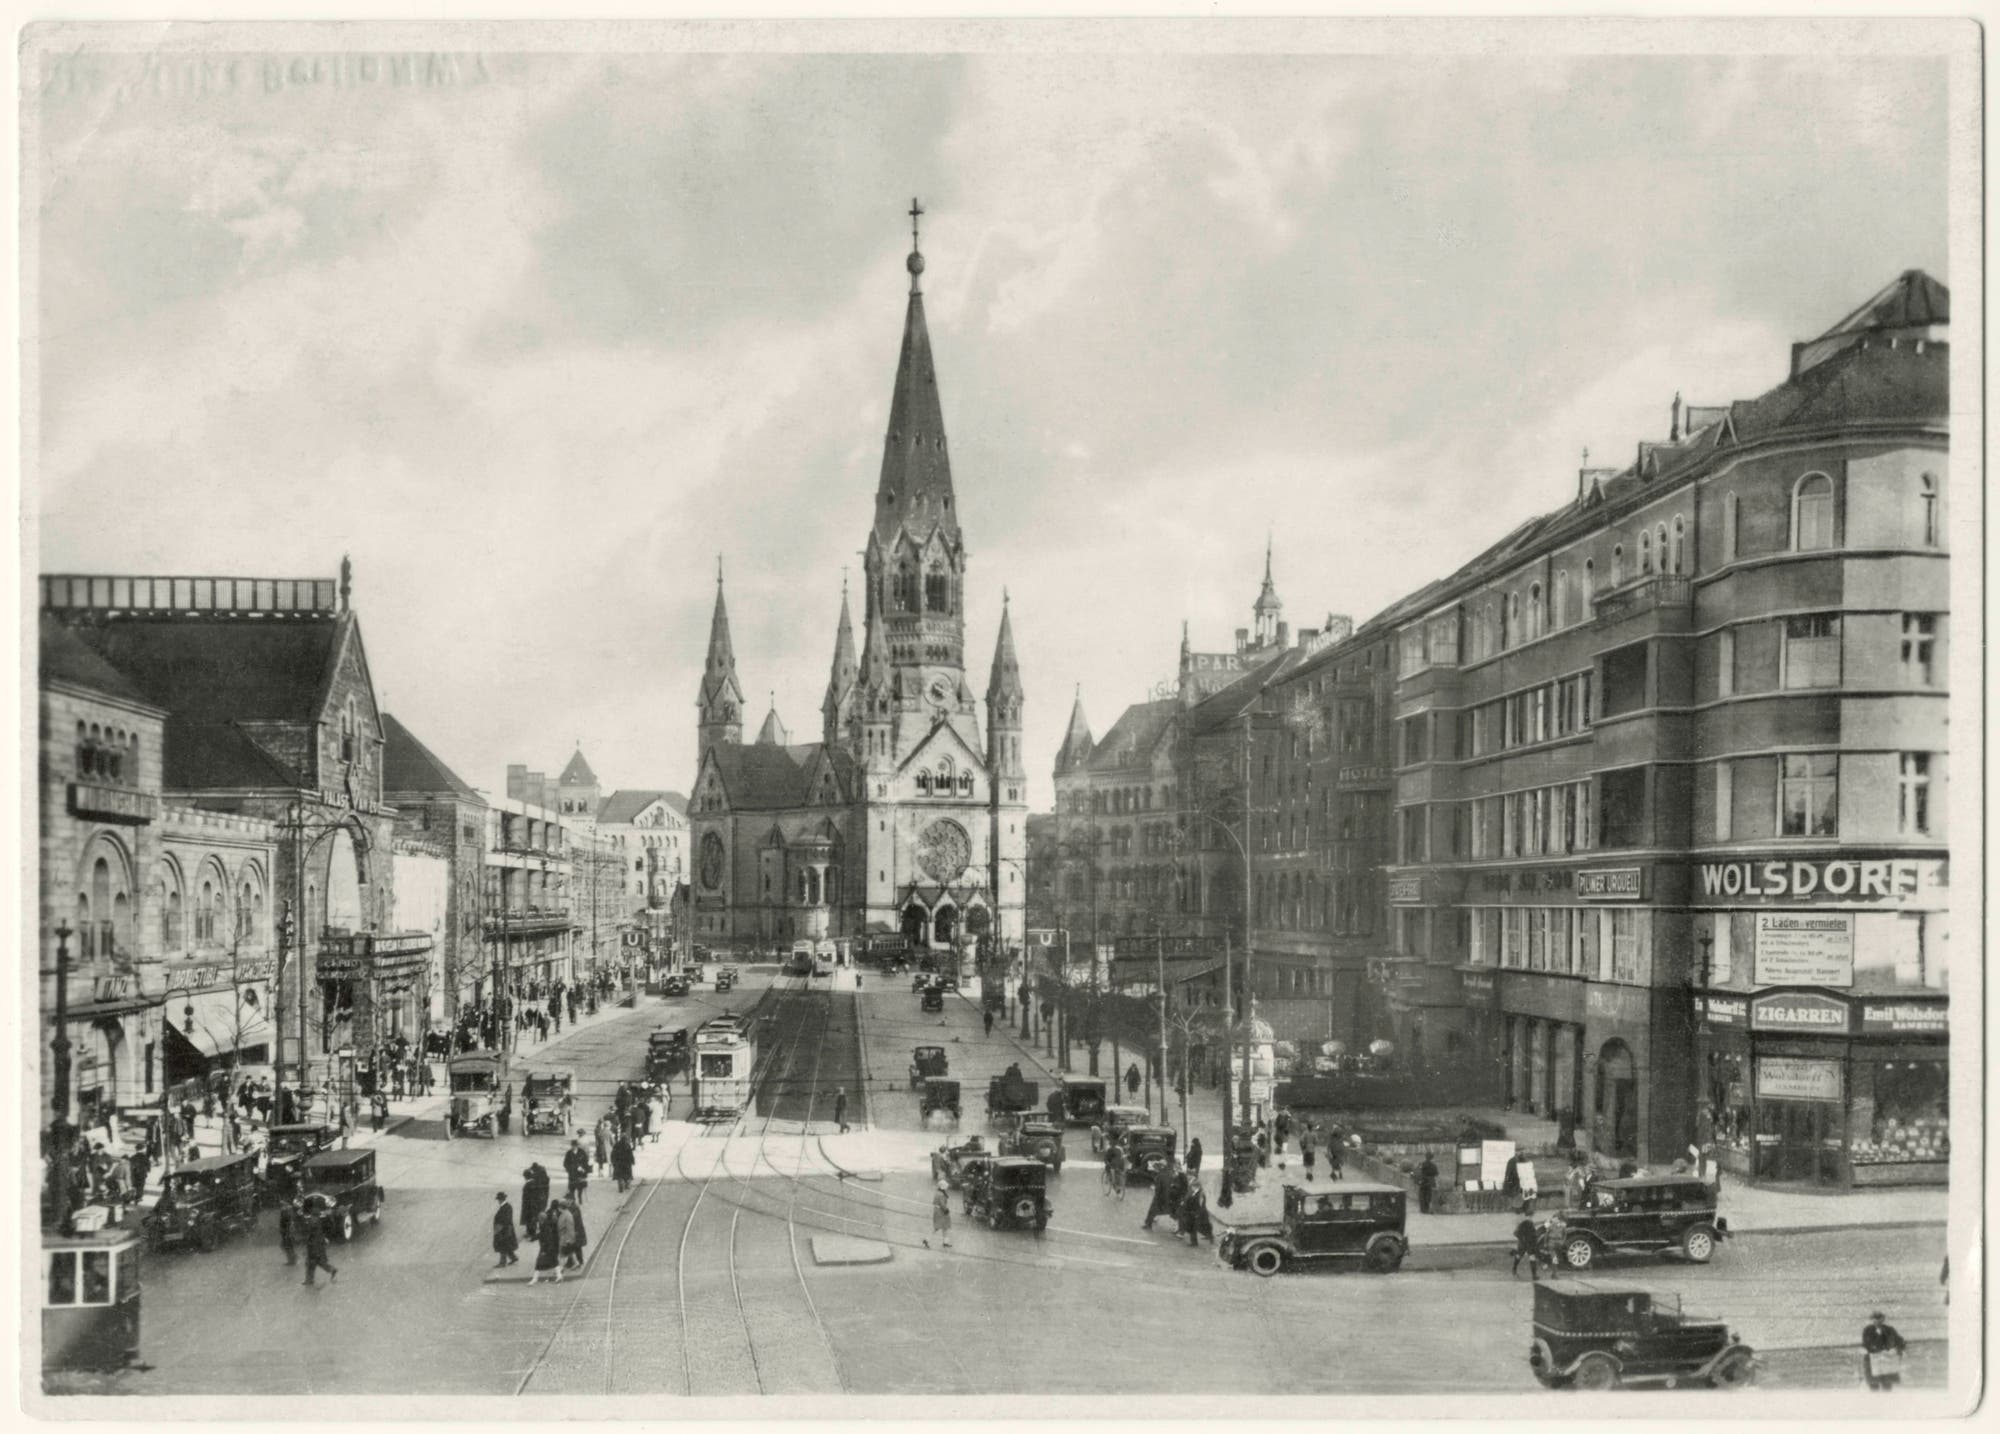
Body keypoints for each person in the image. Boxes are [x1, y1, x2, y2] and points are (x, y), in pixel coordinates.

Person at [1861, 1312, 1906, 1390]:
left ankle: (1887, 1400)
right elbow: (1866, 1343)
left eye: (1880, 1319)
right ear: (1872, 1320)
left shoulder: (1889, 1329)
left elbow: (1899, 1341)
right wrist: (1867, 1350)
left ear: (1883, 1320)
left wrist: (1898, 1348)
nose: (1877, 1322)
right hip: (1873, 1359)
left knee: (1887, 1384)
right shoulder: (1868, 1330)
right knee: (1874, 1384)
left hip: (1886, 1359)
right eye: (1875, 1320)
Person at [301, 1207, 338, 1286]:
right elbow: (326, 1230)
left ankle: (309, 1280)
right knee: (319, 1262)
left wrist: (306, 1245)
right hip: (319, 1246)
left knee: (310, 1264)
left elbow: (309, 1235)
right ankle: (331, 1269)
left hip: (313, 1246)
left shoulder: (312, 1221)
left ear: (312, 1214)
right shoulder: (319, 1221)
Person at [530, 1206, 563, 1285]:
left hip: (546, 1248)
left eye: (539, 1219)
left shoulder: (545, 1227)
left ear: (541, 1219)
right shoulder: (545, 1225)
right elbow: (541, 1235)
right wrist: (533, 1238)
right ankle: (559, 1276)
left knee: (539, 1263)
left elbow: (544, 1236)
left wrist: (544, 1250)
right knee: (554, 1262)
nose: (538, 1220)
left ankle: (535, 1279)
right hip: (549, 1247)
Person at [1510, 1204, 1542, 1279]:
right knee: (1532, 1257)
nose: (1531, 1217)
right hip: (1529, 1243)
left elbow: (1516, 1233)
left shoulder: (1524, 1222)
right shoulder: (1529, 1223)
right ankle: (1534, 1275)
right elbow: (1532, 1234)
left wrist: (1521, 1239)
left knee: (1519, 1256)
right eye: (1531, 1216)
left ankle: (1514, 1269)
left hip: (1522, 1243)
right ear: (1530, 1216)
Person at [493, 1192, 520, 1267]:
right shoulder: (507, 1206)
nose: (498, 1201)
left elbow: (506, 1219)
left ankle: (502, 1263)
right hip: (506, 1229)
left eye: (498, 1199)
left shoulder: (505, 1207)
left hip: (504, 1230)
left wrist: (499, 1228)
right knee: (507, 1245)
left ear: (501, 1199)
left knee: (502, 1245)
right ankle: (513, 1258)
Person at [925, 1179, 952, 1249]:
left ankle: (945, 1242)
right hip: (941, 1213)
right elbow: (942, 1204)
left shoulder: (937, 1193)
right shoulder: (942, 1195)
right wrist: (946, 1210)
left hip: (937, 1211)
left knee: (942, 1228)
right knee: (940, 1228)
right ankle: (927, 1240)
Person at [564, 1138, 591, 1204]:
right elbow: (565, 1163)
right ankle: (573, 1201)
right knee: (571, 1189)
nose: (574, 1147)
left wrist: (583, 1169)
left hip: (580, 1174)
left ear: (577, 1146)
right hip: (572, 1174)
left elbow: (586, 1162)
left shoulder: (582, 1152)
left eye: (575, 1145)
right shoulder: (569, 1153)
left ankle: (580, 1199)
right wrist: (569, 1169)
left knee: (580, 1188)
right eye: (573, 1145)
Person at [278, 1199, 299, 1266]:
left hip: (286, 1232)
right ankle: (292, 1258)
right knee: (287, 1246)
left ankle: (292, 1259)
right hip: (286, 1231)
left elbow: (286, 1223)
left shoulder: (285, 1212)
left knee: (286, 1246)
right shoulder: (288, 1210)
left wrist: (287, 1232)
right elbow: (288, 1222)